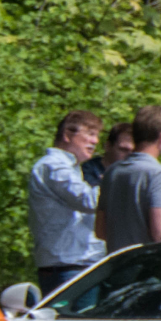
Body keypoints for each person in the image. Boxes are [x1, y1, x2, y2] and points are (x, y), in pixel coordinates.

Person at [27, 110, 105, 293]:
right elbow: (88, 201)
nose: (95, 141)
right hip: (68, 267)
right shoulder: (52, 166)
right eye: (90, 134)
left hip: (77, 265)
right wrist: (115, 179)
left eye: (97, 136)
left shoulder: (71, 169)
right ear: (67, 135)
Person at [98, 105, 161, 251]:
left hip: (118, 268)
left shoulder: (113, 172)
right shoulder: (159, 175)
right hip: (148, 269)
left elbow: (100, 231)